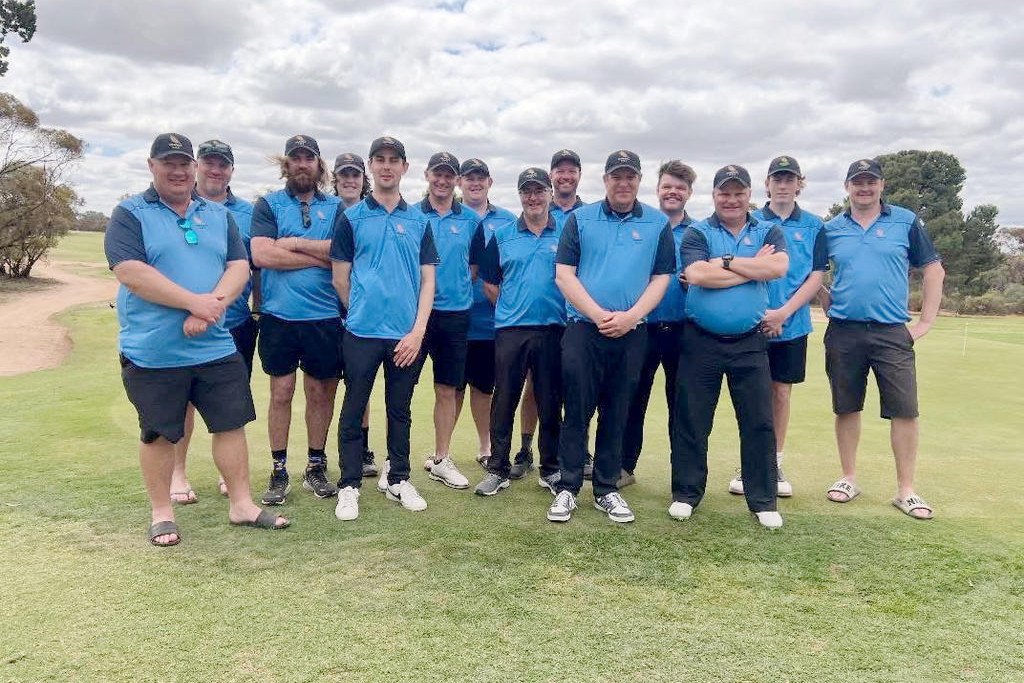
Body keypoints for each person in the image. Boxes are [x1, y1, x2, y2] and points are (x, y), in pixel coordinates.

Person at [105, 133, 288, 546]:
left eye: (184, 163)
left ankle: (241, 504)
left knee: (231, 424)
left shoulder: (217, 214)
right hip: (154, 350)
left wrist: (211, 307)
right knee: (159, 432)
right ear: (152, 166)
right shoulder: (130, 213)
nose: (178, 170)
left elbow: (239, 265)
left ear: (193, 167)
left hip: (214, 345)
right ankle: (162, 512)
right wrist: (194, 304)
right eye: (168, 162)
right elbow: (130, 271)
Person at [548, 150, 675, 524]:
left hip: (632, 332)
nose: (623, 183)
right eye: (616, 177)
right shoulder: (580, 219)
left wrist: (632, 316)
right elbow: (564, 274)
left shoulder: (656, 223)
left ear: (639, 181)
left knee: (618, 410)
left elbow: (662, 277)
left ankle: (606, 488)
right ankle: (568, 487)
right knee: (577, 409)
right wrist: (599, 314)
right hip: (584, 329)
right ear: (605, 180)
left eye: (630, 177)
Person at [821, 158, 944, 520]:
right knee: (846, 406)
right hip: (844, 330)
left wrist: (924, 322)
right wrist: (824, 296)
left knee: (905, 410)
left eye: (870, 181)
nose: (864, 187)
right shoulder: (831, 229)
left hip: (892, 331)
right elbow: (813, 272)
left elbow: (933, 270)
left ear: (881, 185)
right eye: (857, 182)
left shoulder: (904, 221)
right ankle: (848, 477)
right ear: (847, 187)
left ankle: (905, 489)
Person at [670, 164, 789, 529]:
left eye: (738, 193)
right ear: (714, 195)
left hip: (749, 342)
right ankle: (686, 494)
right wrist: (751, 266)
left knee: (757, 421)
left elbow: (778, 268)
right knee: (692, 419)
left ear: (750, 195)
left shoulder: (768, 229)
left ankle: (763, 500)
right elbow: (697, 274)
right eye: (725, 192)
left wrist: (723, 263)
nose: (731, 199)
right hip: (700, 339)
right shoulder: (698, 231)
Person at [331, 136, 438, 520]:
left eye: (395, 160)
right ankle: (349, 485)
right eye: (380, 160)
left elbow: (428, 281)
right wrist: (361, 312)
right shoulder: (353, 217)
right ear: (371, 168)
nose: (387, 166)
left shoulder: (419, 220)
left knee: (400, 410)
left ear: (405, 168)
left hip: (405, 336)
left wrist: (417, 331)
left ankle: (399, 479)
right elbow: (340, 278)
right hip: (361, 332)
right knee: (354, 407)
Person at [250, 135, 343, 505]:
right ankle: (278, 469)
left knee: (320, 394)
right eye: (296, 158)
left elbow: (340, 253)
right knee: (282, 393)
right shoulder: (268, 204)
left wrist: (291, 243)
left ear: (320, 166)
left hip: (324, 317)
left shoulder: (337, 207)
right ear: (285, 165)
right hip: (279, 317)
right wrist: (313, 254)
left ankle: (316, 466)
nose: (302, 164)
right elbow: (262, 255)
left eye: (309, 158)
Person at [728, 156, 826, 498]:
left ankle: (773, 462)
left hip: (792, 324)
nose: (783, 185)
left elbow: (816, 276)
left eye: (789, 179)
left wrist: (783, 312)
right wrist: (762, 312)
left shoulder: (814, 225)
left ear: (799, 183)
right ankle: (748, 463)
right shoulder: (750, 222)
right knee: (751, 395)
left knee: (781, 393)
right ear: (767, 184)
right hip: (750, 322)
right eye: (776, 179)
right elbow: (740, 268)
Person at [168, 139, 258, 503]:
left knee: (229, 406)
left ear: (231, 170)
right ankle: (177, 473)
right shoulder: (172, 207)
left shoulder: (248, 212)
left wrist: (258, 310)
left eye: (223, 164)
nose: (215, 170)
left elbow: (253, 268)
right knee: (183, 402)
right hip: (183, 321)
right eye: (209, 163)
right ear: (196, 166)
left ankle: (229, 477)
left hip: (235, 323)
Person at [473, 168, 566, 496]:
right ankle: (498, 468)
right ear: (520, 195)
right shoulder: (503, 236)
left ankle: (551, 469)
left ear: (550, 193)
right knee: (505, 399)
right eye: (526, 191)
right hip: (511, 330)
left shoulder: (567, 232)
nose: (533, 197)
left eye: (539, 190)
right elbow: (489, 283)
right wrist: (514, 307)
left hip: (554, 328)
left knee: (550, 400)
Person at [512, 148, 590, 477]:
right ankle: (527, 448)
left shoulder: (590, 214)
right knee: (534, 386)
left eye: (572, 170)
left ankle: (579, 450)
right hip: (540, 319)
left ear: (579, 175)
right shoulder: (541, 208)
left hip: (576, 319)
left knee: (577, 386)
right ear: (551, 177)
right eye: (560, 170)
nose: (565, 176)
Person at [619, 160, 696, 488]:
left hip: (684, 329)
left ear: (689, 193)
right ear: (657, 189)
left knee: (682, 408)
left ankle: (683, 476)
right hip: (642, 327)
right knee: (631, 400)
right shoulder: (645, 225)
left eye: (680, 187)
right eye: (667, 186)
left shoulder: (699, 231)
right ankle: (623, 467)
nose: (673, 192)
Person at [415, 151, 481, 490]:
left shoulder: (470, 220)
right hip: (415, 317)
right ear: (427, 174)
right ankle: (394, 461)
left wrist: (454, 290)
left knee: (447, 389)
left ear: (456, 180)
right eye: (436, 174)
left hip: (455, 316)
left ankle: (441, 458)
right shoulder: (411, 215)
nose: (441, 180)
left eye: (448, 175)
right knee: (401, 389)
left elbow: (473, 267)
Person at [456, 158, 517, 470]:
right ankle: (443, 453)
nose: (475, 183)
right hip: (450, 319)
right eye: (469, 178)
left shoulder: (507, 221)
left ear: (490, 182)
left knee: (483, 388)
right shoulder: (447, 215)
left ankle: (485, 446)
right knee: (449, 387)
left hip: (489, 322)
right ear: (460, 182)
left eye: (481, 178)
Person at [333, 151, 378, 478]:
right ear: (334, 179)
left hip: (361, 317)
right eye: (344, 175)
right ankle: (318, 458)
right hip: (326, 312)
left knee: (358, 386)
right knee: (325, 390)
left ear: (364, 180)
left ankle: (362, 450)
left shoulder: (372, 214)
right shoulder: (327, 211)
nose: (350, 180)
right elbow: (333, 262)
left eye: (355, 175)